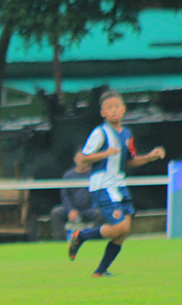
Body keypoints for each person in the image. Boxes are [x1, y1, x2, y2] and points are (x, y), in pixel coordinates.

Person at [67, 91, 165, 276]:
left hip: (119, 185)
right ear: (102, 112)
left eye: (117, 107)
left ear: (124, 109)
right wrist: (104, 153)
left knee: (124, 231)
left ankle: (100, 271)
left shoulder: (127, 134)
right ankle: (81, 236)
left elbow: (130, 161)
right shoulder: (100, 132)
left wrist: (150, 157)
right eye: (109, 108)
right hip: (103, 185)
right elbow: (82, 158)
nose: (114, 111)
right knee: (119, 227)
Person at [49, 160, 101, 241]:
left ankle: (92, 239)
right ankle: (60, 241)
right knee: (56, 212)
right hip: (72, 210)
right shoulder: (68, 175)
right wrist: (71, 210)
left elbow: (97, 194)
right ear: (75, 159)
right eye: (80, 158)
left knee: (101, 213)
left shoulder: (95, 174)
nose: (82, 161)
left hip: (89, 209)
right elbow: (65, 196)